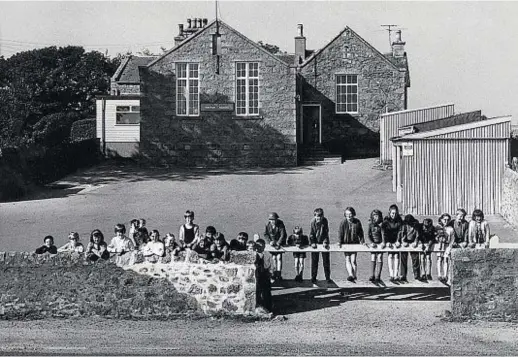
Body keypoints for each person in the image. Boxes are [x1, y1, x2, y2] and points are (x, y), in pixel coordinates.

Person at [338, 207, 364, 282]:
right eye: (347, 214)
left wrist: (362, 241)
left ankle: (354, 275)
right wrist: (340, 242)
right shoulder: (343, 222)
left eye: (350, 214)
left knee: (353, 260)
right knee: (347, 259)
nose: (349, 216)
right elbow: (340, 233)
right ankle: (350, 274)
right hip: (346, 243)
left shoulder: (357, 222)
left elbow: (360, 233)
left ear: (353, 214)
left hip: (354, 243)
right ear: (345, 215)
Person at [381, 204, 403, 283]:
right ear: (389, 213)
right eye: (392, 213)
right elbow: (384, 233)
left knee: (397, 256)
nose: (394, 215)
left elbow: (400, 232)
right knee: (390, 255)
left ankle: (396, 274)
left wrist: (398, 241)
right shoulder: (386, 221)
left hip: (396, 241)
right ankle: (391, 275)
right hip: (389, 241)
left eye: (395, 213)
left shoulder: (399, 221)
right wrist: (386, 242)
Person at [309, 208, 331, 285]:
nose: (318, 217)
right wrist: (312, 243)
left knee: (326, 261)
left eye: (320, 216)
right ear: (314, 216)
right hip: (315, 242)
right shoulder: (312, 222)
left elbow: (326, 232)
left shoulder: (325, 221)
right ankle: (313, 277)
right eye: (317, 216)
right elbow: (311, 234)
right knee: (314, 261)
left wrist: (325, 242)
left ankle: (328, 277)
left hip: (323, 241)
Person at [264, 212, 287, 281]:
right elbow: (265, 234)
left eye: (274, 219)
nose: (273, 221)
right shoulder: (267, 224)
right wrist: (269, 241)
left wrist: (278, 243)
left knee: (279, 257)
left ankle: (279, 274)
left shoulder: (280, 224)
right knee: (273, 258)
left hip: (280, 242)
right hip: (272, 242)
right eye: (271, 220)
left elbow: (283, 234)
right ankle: (273, 273)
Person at [399, 214, 421, 283]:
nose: (409, 225)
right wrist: (403, 242)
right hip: (405, 242)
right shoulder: (404, 226)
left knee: (415, 258)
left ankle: (417, 276)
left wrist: (416, 242)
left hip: (413, 242)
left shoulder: (415, 226)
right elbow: (402, 234)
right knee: (403, 258)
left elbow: (417, 235)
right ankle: (403, 275)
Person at [255, 239, 273, 313]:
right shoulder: (255, 254)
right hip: (258, 274)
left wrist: (271, 273)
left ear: (264, 246)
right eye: (258, 246)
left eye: (261, 246)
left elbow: (271, 265)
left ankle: (269, 307)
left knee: (267, 291)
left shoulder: (268, 254)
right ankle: (259, 306)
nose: (260, 247)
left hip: (265, 274)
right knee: (258, 291)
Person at [366, 209, 384, 283]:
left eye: (377, 216)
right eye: (374, 216)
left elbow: (383, 234)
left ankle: (378, 276)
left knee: (379, 257)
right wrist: (371, 242)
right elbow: (368, 235)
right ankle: (372, 275)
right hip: (373, 244)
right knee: (373, 257)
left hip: (380, 243)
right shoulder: (370, 225)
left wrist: (383, 242)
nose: (375, 218)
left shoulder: (381, 225)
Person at [436, 213, 454, 285]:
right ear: (441, 219)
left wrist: (450, 246)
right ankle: (439, 275)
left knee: (446, 259)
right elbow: (434, 235)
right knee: (439, 258)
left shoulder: (450, 229)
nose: (446, 221)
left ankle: (445, 275)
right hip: (439, 245)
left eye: (447, 220)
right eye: (444, 220)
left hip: (447, 245)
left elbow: (452, 239)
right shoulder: (437, 227)